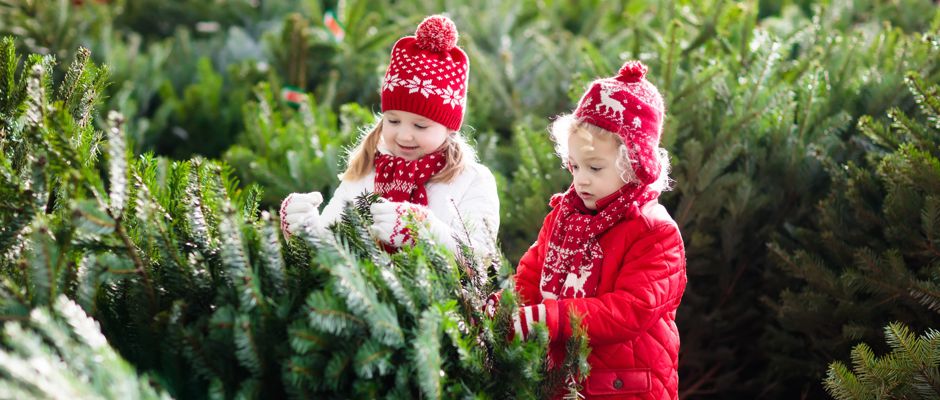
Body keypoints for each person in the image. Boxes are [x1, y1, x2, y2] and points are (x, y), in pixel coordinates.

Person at [510, 60, 686, 399]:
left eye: (595, 167)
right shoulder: (564, 216)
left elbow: (630, 310)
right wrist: (511, 311)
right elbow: (532, 273)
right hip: (563, 380)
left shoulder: (654, 232)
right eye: (574, 166)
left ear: (633, 165)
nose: (581, 179)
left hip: (624, 387)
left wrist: (548, 318)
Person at [279, 15, 499, 258]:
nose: (404, 135)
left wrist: (424, 231)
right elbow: (331, 249)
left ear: (449, 127)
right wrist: (304, 228)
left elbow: (483, 259)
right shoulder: (366, 172)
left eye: (420, 126)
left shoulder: (471, 181)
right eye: (393, 121)